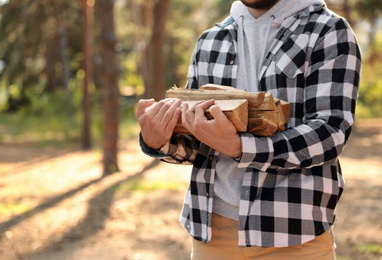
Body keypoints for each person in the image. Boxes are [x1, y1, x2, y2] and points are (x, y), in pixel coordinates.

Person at [136, 0, 361, 259]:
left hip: (294, 237)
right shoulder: (210, 41)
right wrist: (158, 141)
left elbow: (330, 133)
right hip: (212, 235)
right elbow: (199, 146)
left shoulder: (329, 31)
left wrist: (239, 147)